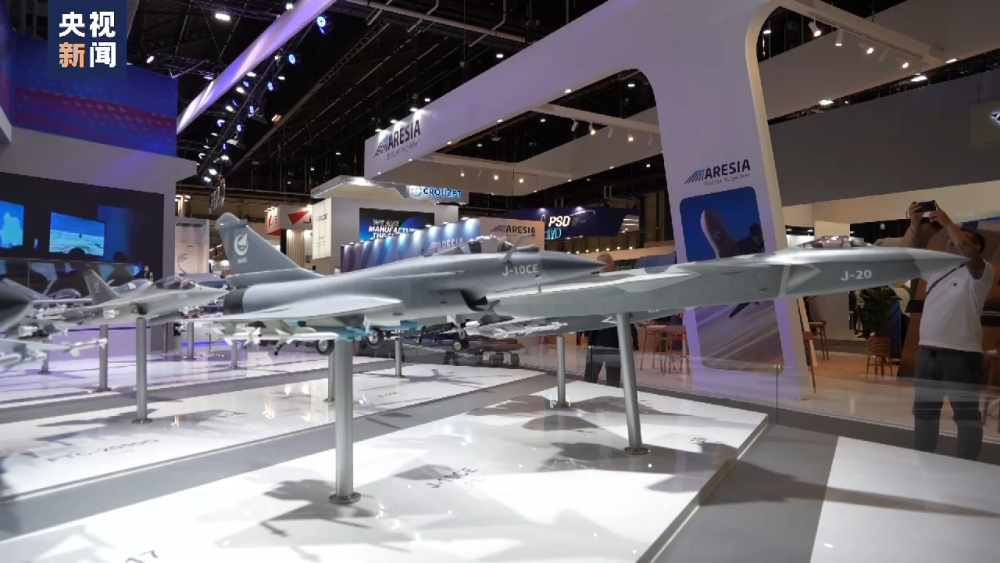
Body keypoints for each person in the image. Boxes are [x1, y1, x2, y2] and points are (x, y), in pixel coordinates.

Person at [901, 202, 992, 460]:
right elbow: (904, 257)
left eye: (960, 238)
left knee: (966, 416)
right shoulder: (938, 269)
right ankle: (924, 459)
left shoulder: (982, 272)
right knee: (924, 412)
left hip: (962, 355)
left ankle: (967, 465)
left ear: (977, 247)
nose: (952, 240)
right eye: (950, 238)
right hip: (927, 353)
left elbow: (969, 253)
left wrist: (948, 222)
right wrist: (914, 224)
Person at [583, 254, 639, 387]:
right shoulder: (594, 284)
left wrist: (633, 337)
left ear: (611, 266)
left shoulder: (618, 285)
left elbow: (626, 309)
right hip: (598, 338)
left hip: (613, 338)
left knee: (610, 377)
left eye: (603, 265)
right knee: (592, 376)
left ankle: (608, 396)